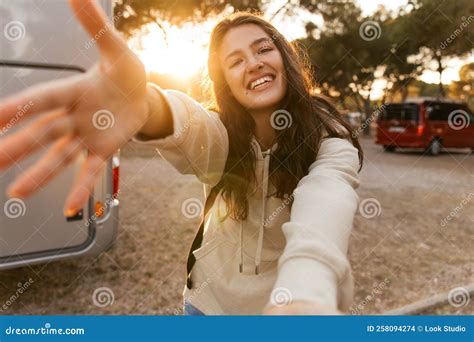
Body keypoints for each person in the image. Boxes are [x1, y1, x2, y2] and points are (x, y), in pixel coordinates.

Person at [0, 0, 363, 315]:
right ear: (226, 83)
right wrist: (143, 106)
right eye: (235, 61)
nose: (253, 64)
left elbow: (325, 208)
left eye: (263, 49)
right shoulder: (224, 135)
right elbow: (191, 126)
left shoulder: (331, 143)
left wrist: (304, 297)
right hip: (204, 309)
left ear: (285, 57)